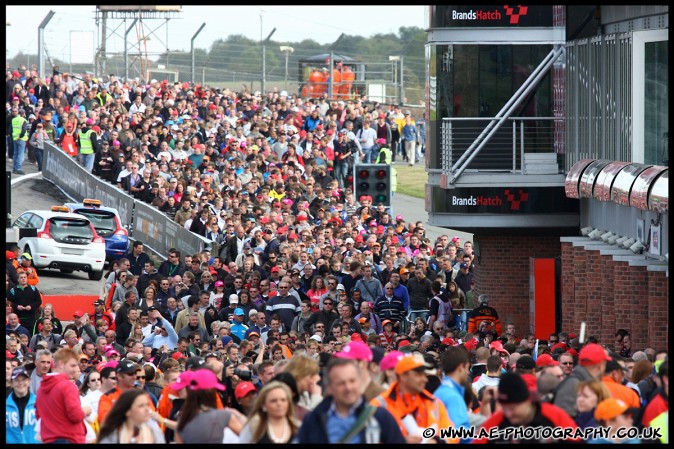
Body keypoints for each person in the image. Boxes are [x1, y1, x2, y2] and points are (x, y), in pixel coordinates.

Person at [298, 357, 405, 443]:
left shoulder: (380, 417)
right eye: (341, 383)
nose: (348, 388)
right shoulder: (313, 420)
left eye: (352, 381)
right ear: (329, 388)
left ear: (359, 382)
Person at [371, 353, 456, 443]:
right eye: (418, 375)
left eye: (424, 374)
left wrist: (436, 441)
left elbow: (451, 435)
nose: (425, 379)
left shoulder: (434, 402)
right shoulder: (379, 405)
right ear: (403, 376)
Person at [474, 372, 579, 444]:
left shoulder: (554, 417)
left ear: (527, 401)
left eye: (513, 408)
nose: (508, 414)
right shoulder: (495, 423)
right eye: (504, 408)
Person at [172, 368, 244, 443]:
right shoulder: (224, 416)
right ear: (210, 392)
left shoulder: (182, 421)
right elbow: (250, 437)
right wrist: (240, 416)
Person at [35, 348, 87, 444]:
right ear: (61, 364)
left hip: (49, 439)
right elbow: (75, 415)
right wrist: (86, 410)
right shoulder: (67, 386)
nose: (75, 369)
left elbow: (38, 415)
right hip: (69, 438)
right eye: (72, 365)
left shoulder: (41, 388)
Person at [97, 389, 165, 443]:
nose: (147, 409)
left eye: (147, 405)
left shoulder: (153, 429)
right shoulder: (112, 435)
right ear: (127, 411)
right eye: (141, 406)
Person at [6, 366, 39, 443]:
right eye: (17, 380)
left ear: (29, 381)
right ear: (11, 383)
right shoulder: (6, 405)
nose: (20, 383)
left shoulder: (39, 403)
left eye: (24, 380)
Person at [7, 271, 42, 337]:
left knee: (31, 336)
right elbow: (9, 302)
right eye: (21, 277)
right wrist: (16, 306)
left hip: (31, 318)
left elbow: (39, 301)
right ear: (18, 279)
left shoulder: (33, 289)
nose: (23, 279)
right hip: (18, 319)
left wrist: (31, 306)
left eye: (25, 277)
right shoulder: (13, 290)